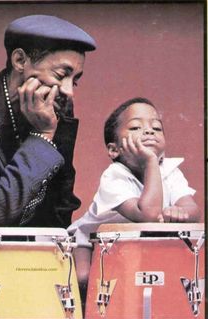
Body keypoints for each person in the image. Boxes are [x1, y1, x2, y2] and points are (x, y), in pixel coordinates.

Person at [68, 97, 200, 297]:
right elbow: (148, 213)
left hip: (125, 244)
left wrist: (181, 212)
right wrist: (150, 162)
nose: (149, 131)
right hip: (88, 240)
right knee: (85, 278)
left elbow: (193, 211)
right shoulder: (114, 176)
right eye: (135, 127)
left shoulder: (170, 172)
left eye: (156, 128)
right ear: (114, 149)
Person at [0, 14, 96, 227]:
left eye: (75, 81)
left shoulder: (56, 109)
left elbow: (61, 210)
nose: (69, 91)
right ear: (20, 61)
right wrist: (42, 136)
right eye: (61, 75)